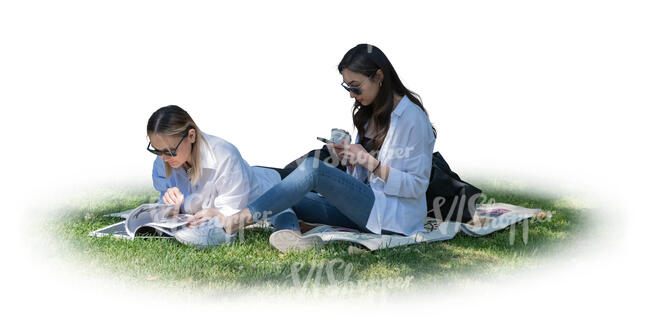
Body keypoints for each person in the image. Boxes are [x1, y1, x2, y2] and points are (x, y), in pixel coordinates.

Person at [188, 44, 437, 252]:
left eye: (355, 85)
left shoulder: (413, 120)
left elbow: (417, 186)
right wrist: (351, 160)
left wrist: (369, 162)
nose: (351, 94)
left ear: (379, 77)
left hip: (394, 218)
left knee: (313, 168)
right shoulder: (371, 115)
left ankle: (234, 222)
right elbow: (363, 182)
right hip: (368, 212)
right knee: (281, 192)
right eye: (347, 87)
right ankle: (292, 236)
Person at [146, 105, 299, 248]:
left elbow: (232, 215)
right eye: (157, 151)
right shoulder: (162, 161)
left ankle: (321, 155)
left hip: (274, 185)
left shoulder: (224, 156)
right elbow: (171, 206)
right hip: (252, 173)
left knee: (309, 193)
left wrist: (217, 214)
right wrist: (170, 203)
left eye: (170, 151)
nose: (164, 158)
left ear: (191, 136)